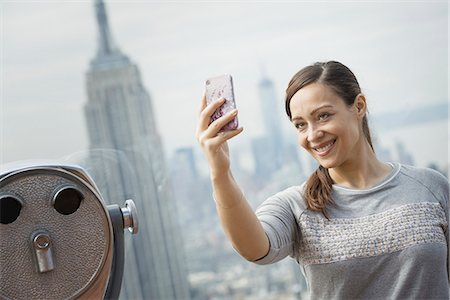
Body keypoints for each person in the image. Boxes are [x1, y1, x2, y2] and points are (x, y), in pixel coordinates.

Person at [196, 61, 449, 299]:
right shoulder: (296, 205)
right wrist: (220, 170)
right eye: (300, 125)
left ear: (359, 106)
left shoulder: (431, 187)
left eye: (323, 116)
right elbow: (254, 248)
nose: (313, 134)